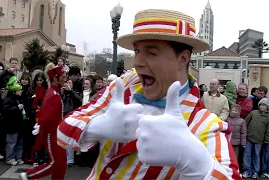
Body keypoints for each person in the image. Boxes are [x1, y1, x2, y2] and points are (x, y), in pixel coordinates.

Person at [57, 9, 240, 179]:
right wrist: (97, 127)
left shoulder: (204, 124)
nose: (137, 62)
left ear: (183, 59)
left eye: (151, 52)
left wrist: (196, 163)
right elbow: (62, 133)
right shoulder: (125, 86)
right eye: (137, 51)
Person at [20, 63, 67, 180]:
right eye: (63, 76)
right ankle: (29, 175)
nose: (65, 79)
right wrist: (42, 131)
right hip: (52, 134)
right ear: (55, 78)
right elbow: (46, 118)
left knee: (61, 164)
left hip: (58, 134)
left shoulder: (55, 92)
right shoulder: (53, 94)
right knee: (55, 163)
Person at [242, 98, 269, 179]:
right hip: (249, 138)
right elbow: (245, 122)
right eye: (260, 104)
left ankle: (255, 171)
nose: (261, 106)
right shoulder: (253, 113)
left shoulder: (268, 117)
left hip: (259, 140)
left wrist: (266, 140)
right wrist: (245, 134)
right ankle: (247, 170)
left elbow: (268, 130)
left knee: (256, 156)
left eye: (264, 105)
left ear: (267, 107)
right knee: (247, 154)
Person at [3, 76, 25, 166]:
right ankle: (10, 158)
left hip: (19, 123)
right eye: (19, 90)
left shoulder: (19, 98)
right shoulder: (8, 99)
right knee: (11, 142)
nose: (20, 91)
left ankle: (18, 157)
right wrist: (16, 108)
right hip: (11, 124)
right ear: (14, 91)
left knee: (19, 142)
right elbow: (6, 110)